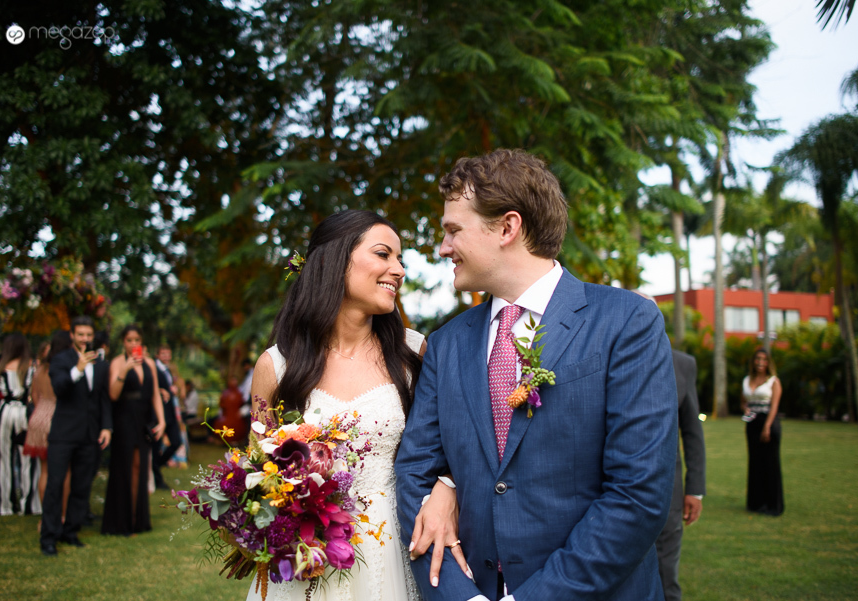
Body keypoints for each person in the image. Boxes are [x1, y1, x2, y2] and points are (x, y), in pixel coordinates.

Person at [395, 149, 677, 601]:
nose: (443, 247)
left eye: (453, 230)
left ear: (507, 228)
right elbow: (414, 473)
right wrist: (461, 596)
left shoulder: (626, 322)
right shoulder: (446, 344)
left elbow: (637, 493)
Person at [246, 210, 463, 601]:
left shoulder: (413, 353)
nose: (399, 270)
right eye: (383, 254)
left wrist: (446, 489)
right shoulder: (277, 367)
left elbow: (450, 449)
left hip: (393, 545)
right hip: (308, 557)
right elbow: (258, 475)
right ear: (335, 260)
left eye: (400, 259)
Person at [40, 316, 113, 556]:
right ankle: (49, 537)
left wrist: (106, 427)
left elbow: (103, 397)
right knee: (55, 485)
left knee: (82, 486)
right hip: (63, 433)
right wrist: (77, 370)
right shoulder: (61, 359)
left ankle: (70, 532)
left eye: (88, 335)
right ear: (72, 335)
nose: (85, 339)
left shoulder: (100, 363)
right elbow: (60, 388)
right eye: (80, 334)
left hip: (90, 434)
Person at [101, 325, 166, 535]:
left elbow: (155, 393)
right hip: (124, 418)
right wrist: (124, 370)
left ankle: (138, 518)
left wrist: (162, 420)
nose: (133, 344)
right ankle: (122, 520)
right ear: (123, 342)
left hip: (143, 419)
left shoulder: (149, 363)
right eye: (129, 340)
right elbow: (113, 394)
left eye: (137, 340)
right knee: (124, 467)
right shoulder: (117, 363)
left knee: (140, 466)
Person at [656, 349, 706, 601]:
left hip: (669, 488)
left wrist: (695, 489)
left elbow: (692, 431)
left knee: (666, 575)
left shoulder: (683, 365)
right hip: (610, 488)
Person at [0, 333, 40, 515]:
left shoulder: (2, 367)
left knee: (3, 457)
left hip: (5, 411)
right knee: (28, 458)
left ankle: (4, 503)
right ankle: (29, 503)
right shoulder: (31, 366)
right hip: (24, 411)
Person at [24, 331, 74, 515]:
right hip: (58, 416)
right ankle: (63, 515)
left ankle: (46, 517)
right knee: (66, 470)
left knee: (44, 470)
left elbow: (34, 395)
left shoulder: (40, 369)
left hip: (39, 416)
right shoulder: (64, 368)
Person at [741, 347, 784, 516]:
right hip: (752, 423)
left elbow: (774, 406)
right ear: (753, 361)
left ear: (768, 363)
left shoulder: (773, 381)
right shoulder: (747, 380)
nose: (760, 362)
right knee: (755, 462)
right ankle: (755, 503)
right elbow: (743, 401)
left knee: (770, 463)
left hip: (768, 422)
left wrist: (767, 426)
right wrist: (745, 409)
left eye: (764, 359)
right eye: (757, 358)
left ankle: (773, 505)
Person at [152, 345, 182, 488]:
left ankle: (155, 465)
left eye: (168, 354)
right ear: (157, 355)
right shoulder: (153, 369)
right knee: (156, 446)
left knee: (176, 441)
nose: (166, 356)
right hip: (158, 414)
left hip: (170, 412)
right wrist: (162, 391)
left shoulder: (168, 370)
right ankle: (157, 479)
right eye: (163, 354)